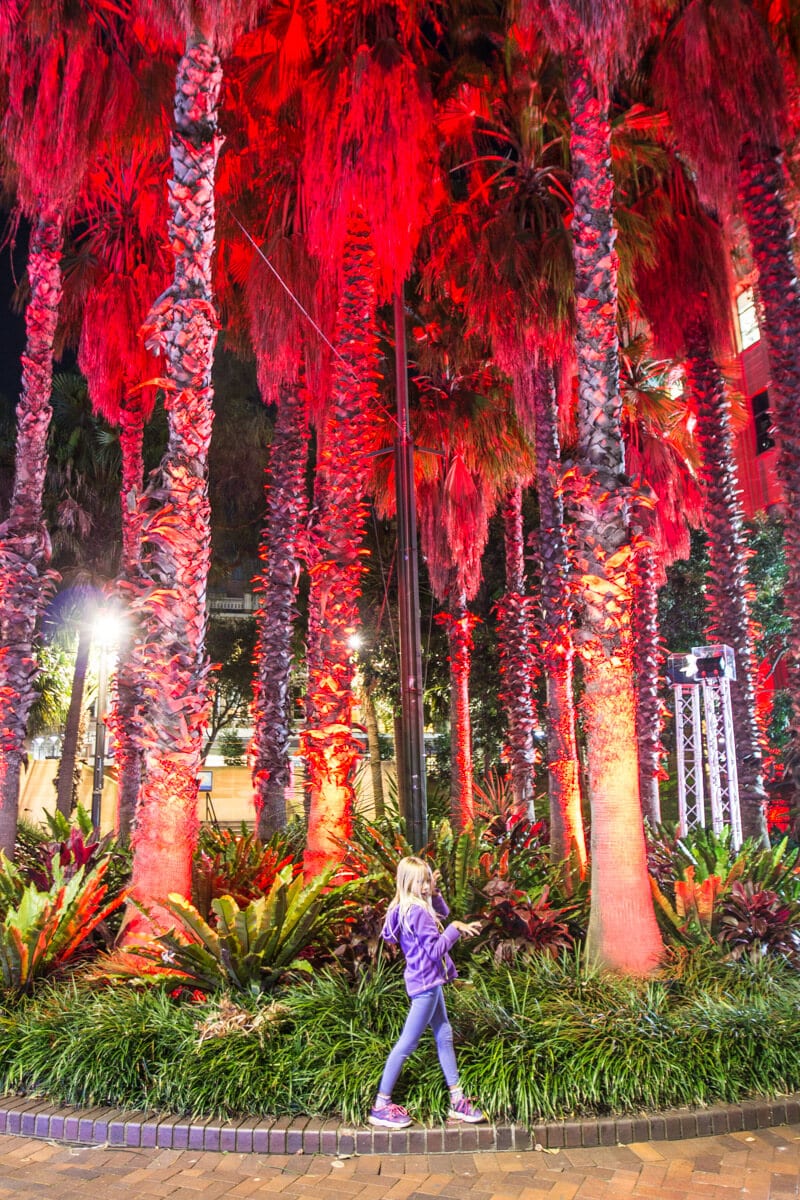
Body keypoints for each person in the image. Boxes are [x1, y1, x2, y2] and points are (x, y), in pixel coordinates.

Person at [368, 855, 485, 1128]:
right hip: (426, 986)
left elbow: (440, 915)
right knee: (407, 1043)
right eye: (420, 882)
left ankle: (457, 1099)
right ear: (408, 882)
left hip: (427, 982)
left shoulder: (404, 908)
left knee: (444, 1034)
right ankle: (381, 1105)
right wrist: (455, 929)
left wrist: (436, 892)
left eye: (426, 881)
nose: (424, 887)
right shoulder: (418, 912)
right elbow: (435, 950)